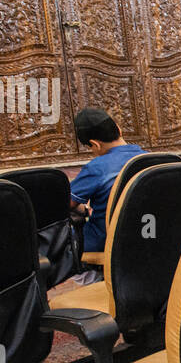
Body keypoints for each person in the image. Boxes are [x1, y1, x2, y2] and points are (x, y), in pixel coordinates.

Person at [69, 107, 145, 278]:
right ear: (119, 129)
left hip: (106, 240)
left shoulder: (97, 167)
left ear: (95, 144)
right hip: (147, 234)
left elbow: (65, 204)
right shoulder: (152, 159)